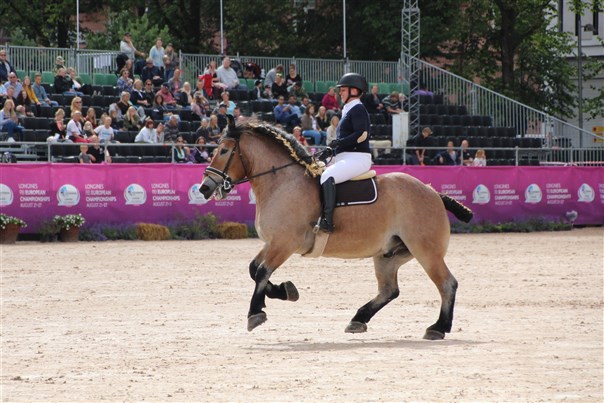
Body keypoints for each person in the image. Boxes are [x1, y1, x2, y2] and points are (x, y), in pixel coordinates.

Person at [317, 73, 372, 233]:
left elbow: (362, 135)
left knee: (327, 176)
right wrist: (330, 152)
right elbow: (345, 140)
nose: (339, 92)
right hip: (346, 156)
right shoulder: (348, 109)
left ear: (354, 91)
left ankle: (327, 221)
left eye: (343, 90)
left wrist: (339, 142)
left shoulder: (358, 109)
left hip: (358, 158)